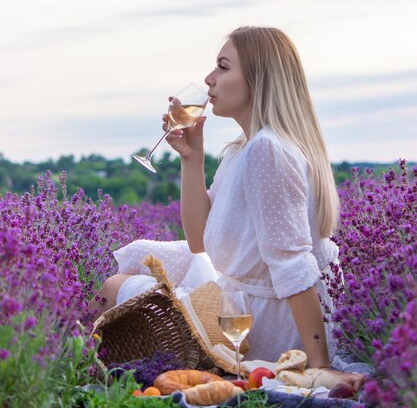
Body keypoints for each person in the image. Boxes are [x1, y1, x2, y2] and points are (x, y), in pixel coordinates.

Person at [94, 26, 363, 388]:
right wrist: (192, 158)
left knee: (115, 287)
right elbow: (198, 239)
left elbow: (294, 263)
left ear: (258, 77)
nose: (209, 79)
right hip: (245, 298)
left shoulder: (267, 150)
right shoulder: (243, 149)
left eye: (222, 67)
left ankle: (95, 379)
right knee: (140, 257)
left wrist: (319, 364)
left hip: (266, 324)